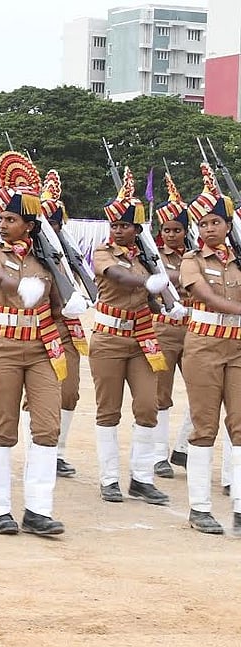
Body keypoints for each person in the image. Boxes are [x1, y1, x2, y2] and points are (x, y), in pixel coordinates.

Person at [0, 151, 81, 536]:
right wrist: (18, 285)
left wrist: (71, 302)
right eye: (2, 218)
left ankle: (38, 509)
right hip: (4, 345)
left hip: (42, 346)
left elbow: (58, 303)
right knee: (3, 427)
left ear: (30, 224)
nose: (4, 225)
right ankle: (0, 508)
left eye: (11, 219)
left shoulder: (48, 258)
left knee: (46, 427)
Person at [89, 168, 172, 506]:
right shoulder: (103, 252)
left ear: (137, 230)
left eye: (125, 226)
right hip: (109, 338)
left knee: (148, 406)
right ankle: (109, 478)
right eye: (115, 225)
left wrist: (166, 302)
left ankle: (141, 477)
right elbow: (118, 276)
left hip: (142, 338)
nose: (118, 230)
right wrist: (149, 282)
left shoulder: (147, 257)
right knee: (108, 410)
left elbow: (152, 296)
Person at [180, 164, 241, 534]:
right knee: (204, 426)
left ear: (228, 224)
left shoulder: (239, 261)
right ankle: (199, 507)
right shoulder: (192, 260)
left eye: (214, 223)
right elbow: (201, 293)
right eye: (202, 225)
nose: (207, 230)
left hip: (237, 348)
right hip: (203, 347)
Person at [33, 173, 82, 478]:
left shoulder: (67, 254)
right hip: (37, 328)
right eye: (48, 224)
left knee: (70, 391)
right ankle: (39, 449)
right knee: (39, 395)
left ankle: (58, 451)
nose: (54, 230)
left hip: (65, 328)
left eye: (57, 224)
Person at [152, 172, 194, 477]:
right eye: (165, 229)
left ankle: (182, 448)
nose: (170, 235)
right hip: (164, 329)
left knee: (202, 391)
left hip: (194, 330)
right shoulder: (154, 257)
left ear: (185, 231)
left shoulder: (196, 256)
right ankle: (158, 455)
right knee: (160, 393)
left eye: (176, 230)